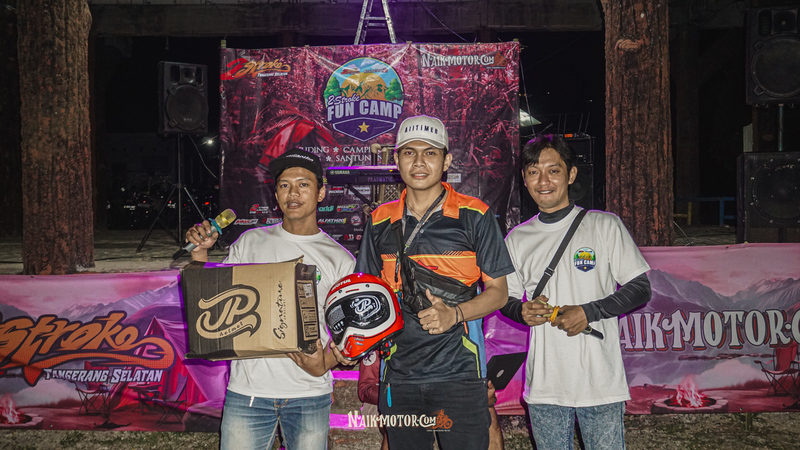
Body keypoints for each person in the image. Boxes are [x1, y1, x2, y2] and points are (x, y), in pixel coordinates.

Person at [355, 115, 515, 450]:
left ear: (446, 160)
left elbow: (499, 293)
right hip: (398, 376)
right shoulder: (379, 220)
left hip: (460, 376)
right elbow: (366, 295)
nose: (419, 162)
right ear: (396, 159)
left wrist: (454, 314)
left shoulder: (475, 215)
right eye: (409, 152)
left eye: (430, 153)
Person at [184, 148, 356, 450]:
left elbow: (351, 332)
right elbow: (211, 302)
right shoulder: (250, 242)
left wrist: (325, 363)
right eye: (284, 185)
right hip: (248, 392)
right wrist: (200, 254)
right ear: (276, 195)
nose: (293, 193)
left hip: (308, 394)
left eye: (303, 184)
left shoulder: (340, 259)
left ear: (321, 193)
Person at [500, 135, 651, 450]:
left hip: (600, 381)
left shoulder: (604, 225)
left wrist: (588, 312)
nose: (543, 181)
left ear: (570, 174)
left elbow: (640, 288)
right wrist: (522, 311)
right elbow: (505, 299)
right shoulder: (517, 238)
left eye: (553, 171)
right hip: (546, 384)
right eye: (533, 172)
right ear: (525, 179)